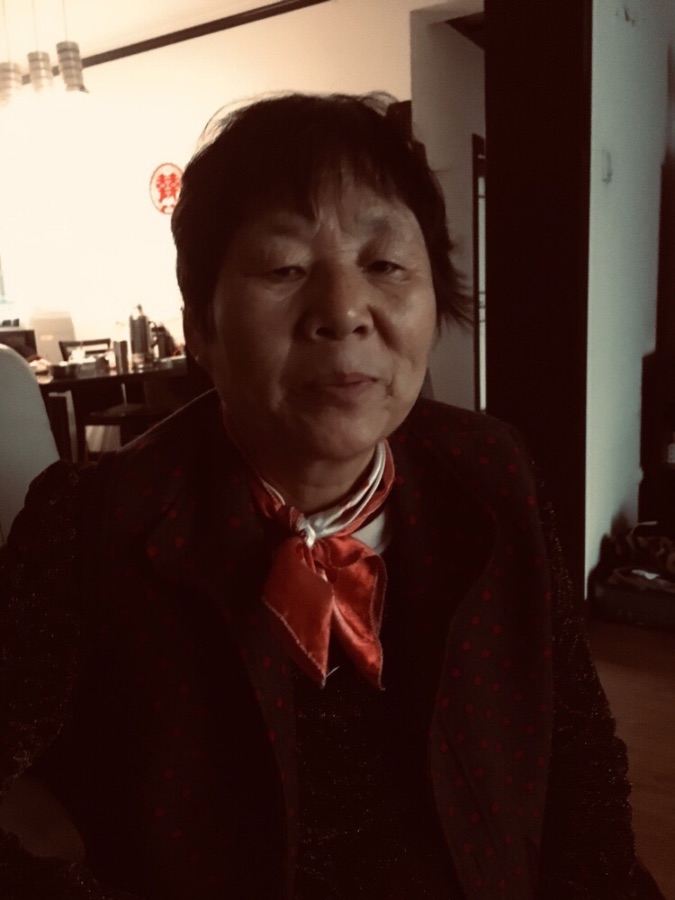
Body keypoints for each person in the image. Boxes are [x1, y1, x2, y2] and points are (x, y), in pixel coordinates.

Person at [0, 92, 664, 900]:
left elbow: (575, 743)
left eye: (384, 265)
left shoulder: (494, 473)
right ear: (200, 327)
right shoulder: (91, 521)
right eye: (284, 268)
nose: (344, 311)